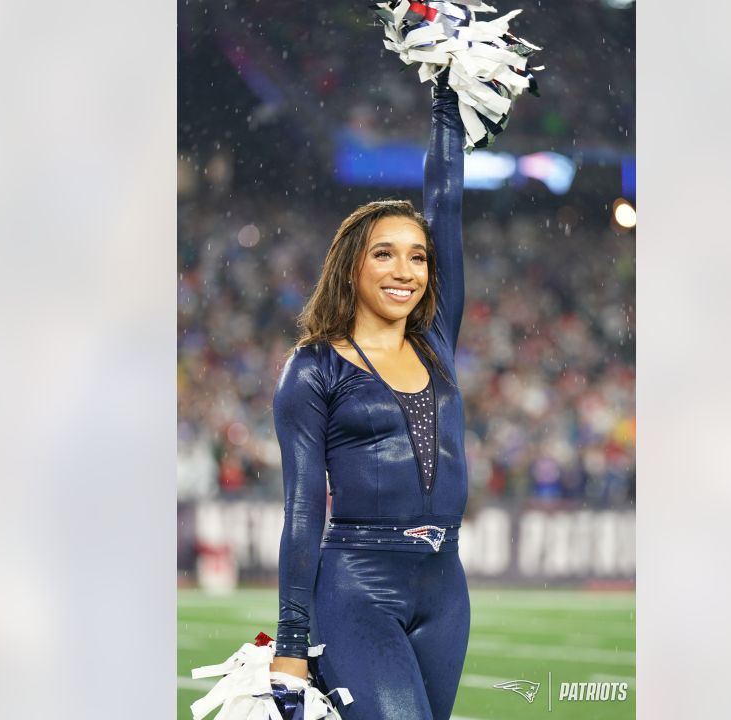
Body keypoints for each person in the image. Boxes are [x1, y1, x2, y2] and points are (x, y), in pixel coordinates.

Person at [267, 73, 470, 720]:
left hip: (446, 585)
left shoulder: (436, 338)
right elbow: (302, 508)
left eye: (417, 257)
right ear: (352, 265)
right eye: (384, 254)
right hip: (358, 584)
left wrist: (448, 95)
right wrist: (293, 642)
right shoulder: (314, 368)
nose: (404, 270)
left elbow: (446, 201)